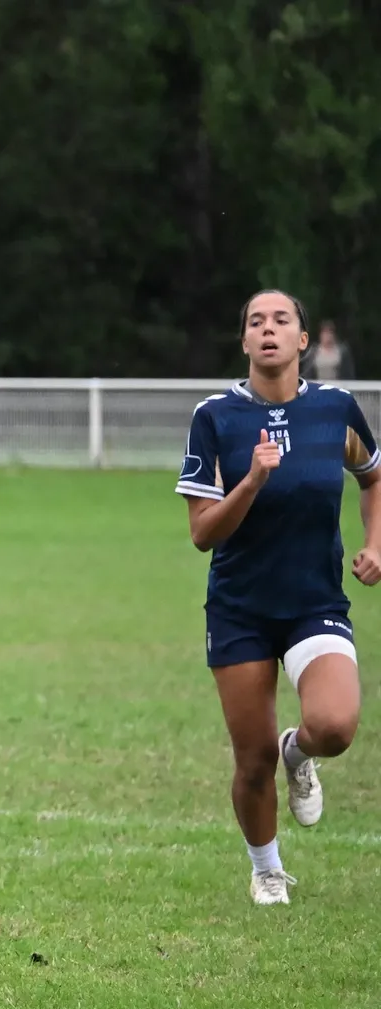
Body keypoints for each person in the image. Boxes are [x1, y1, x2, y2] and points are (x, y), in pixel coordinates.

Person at [176, 289, 380, 906]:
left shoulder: (338, 409)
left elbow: (373, 477)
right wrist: (252, 480)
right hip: (239, 609)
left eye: (281, 321)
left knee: (335, 726)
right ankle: (267, 868)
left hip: (315, 602)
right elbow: (202, 534)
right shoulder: (215, 416)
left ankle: (301, 750)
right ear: (244, 342)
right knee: (252, 756)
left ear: (302, 341)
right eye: (255, 322)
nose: (268, 330)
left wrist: (376, 541)